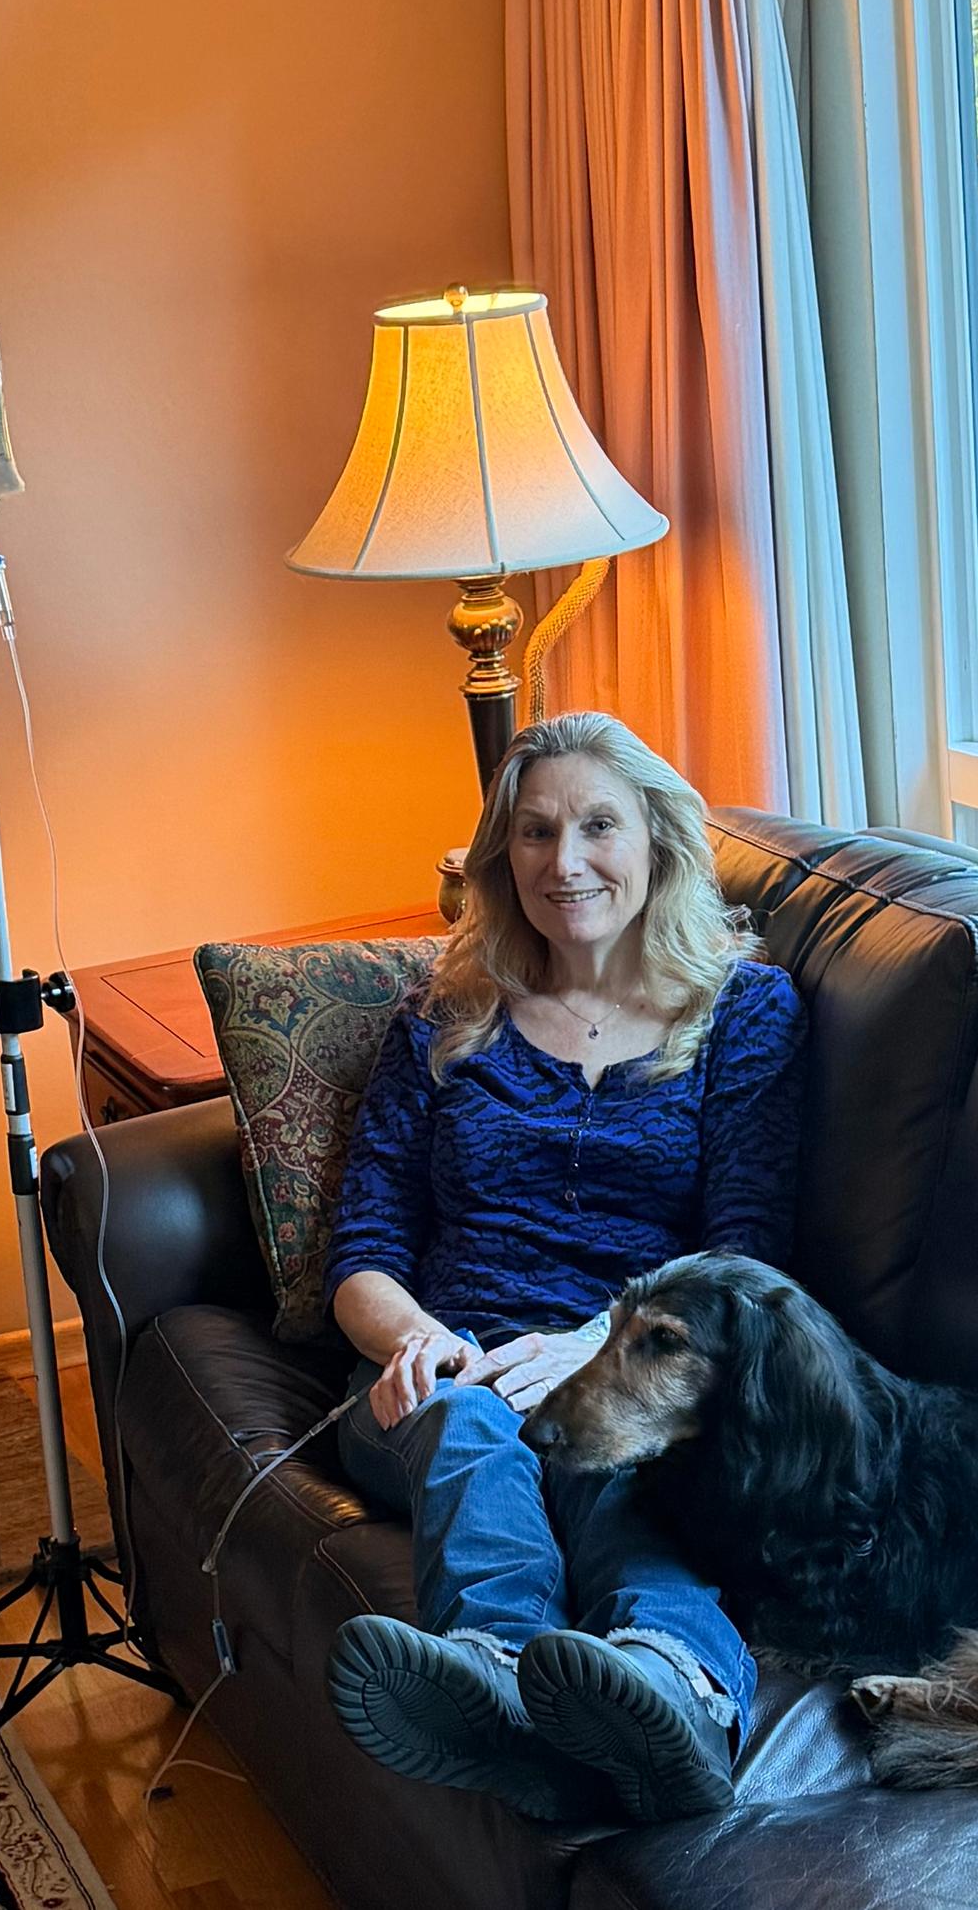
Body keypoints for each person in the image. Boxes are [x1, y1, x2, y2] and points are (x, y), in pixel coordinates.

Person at [322, 711, 806, 1827]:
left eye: (597, 826)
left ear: (657, 840)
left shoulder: (745, 1013)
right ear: (502, 860)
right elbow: (366, 1248)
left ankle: (672, 1689)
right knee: (468, 1424)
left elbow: (745, 1252)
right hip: (446, 1374)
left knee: (616, 1466)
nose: (565, 861)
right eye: (534, 833)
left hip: (630, 1369)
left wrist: (599, 1349)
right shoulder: (444, 1020)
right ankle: (493, 1673)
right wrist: (416, 1342)